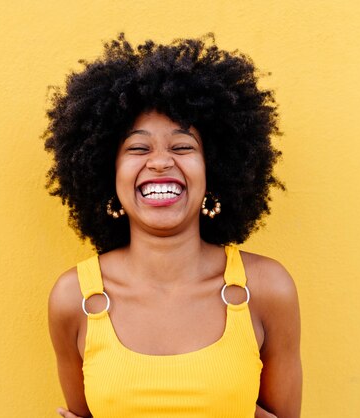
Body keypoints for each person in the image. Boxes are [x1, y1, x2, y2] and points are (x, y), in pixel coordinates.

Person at [44, 33, 302, 418]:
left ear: (214, 169)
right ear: (105, 172)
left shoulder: (266, 288)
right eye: (138, 148)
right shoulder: (73, 298)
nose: (161, 162)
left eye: (182, 147)